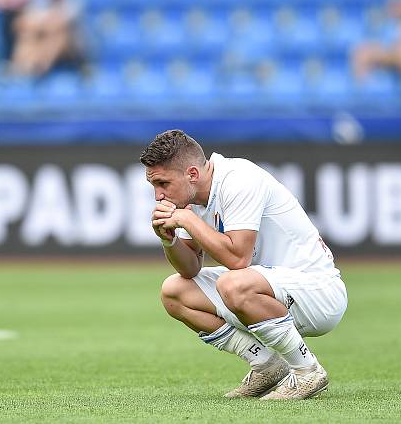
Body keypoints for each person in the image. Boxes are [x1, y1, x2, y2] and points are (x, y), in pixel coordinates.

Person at [140, 130, 347, 400]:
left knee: (232, 283)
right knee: (174, 291)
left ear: (192, 174)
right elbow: (189, 269)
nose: (158, 196)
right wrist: (169, 242)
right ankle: (267, 365)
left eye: (163, 184)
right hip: (269, 289)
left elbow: (238, 259)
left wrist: (189, 222)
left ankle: (307, 370)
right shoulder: (193, 198)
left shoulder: (239, 179)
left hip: (318, 292)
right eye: (154, 186)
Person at [11, 0, 86, 77]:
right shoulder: (41, 2)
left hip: (73, 47)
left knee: (59, 36)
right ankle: (22, 67)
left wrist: (40, 25)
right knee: (27, 35)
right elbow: (22, 23)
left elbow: (58, 24)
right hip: (43, 40)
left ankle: (41, 68)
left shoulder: (73, 2)